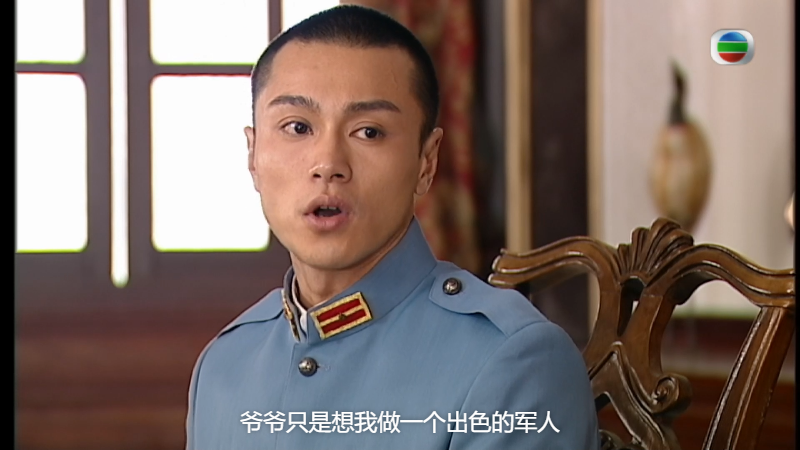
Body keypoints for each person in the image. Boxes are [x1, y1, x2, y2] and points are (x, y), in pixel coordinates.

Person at [185, 5, 599, 449]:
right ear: (252, 155)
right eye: (298, 127)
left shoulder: (514, 359)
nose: (328, 163)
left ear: (426, 162)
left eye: (369, 132)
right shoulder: (225, 364)